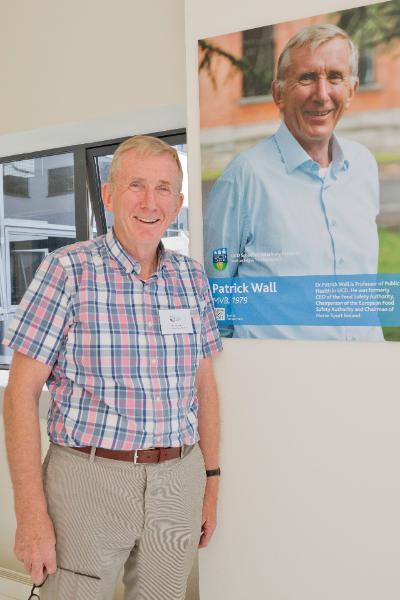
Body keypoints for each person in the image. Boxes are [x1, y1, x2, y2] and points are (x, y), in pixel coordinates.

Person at [3, 136, 222, 600]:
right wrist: (30, 512)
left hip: (178, 478)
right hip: (89, 478)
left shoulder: (192, 277)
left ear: (179, 202)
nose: (150, 201)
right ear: (108, 194)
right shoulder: (67, 271)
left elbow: (205, 386)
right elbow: (19, 394)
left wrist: (211, 482)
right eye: (136, 185)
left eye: (164, 188)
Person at [204, 24, 383, 341]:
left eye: (335, 77)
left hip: (364, 374)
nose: (322, 94)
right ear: (278, 93)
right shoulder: (244, 177)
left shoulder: (364, 166)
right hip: (283, 381)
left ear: (352, 89)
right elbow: (215, 294)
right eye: (307, 78)